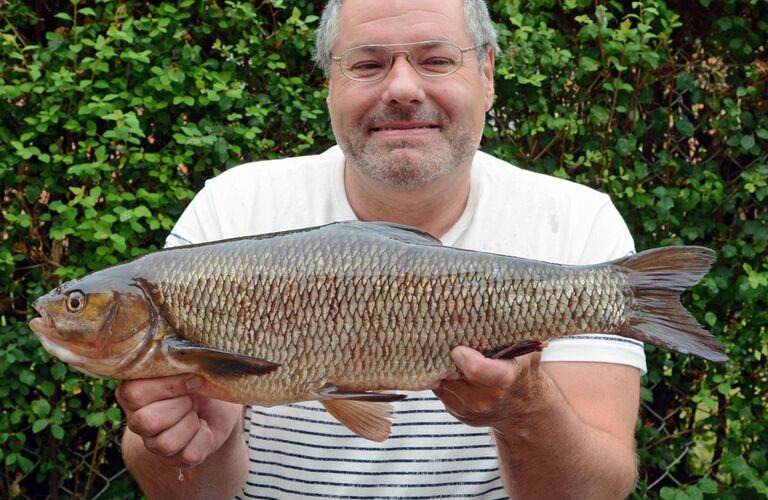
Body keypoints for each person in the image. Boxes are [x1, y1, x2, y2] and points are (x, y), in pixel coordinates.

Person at [117, 0, 645, 498]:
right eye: (367, 64)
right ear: (329, 83)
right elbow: (191, 492)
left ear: (487, 75)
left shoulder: (578, 224)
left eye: (436, 60)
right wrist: (191, 444)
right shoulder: (231, 210)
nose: (402, 88)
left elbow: (597, 491)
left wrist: (525, 412)